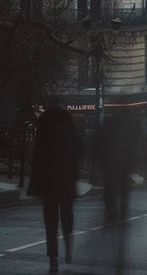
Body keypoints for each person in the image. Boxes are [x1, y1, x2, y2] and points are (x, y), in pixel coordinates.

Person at [28, 105, 81, 273]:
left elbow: (36, 156)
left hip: (47, 181)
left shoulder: (44, 127)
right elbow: (79, 149)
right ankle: (68, 248)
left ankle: (53, 257)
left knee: (50, 221)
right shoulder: (69, 126)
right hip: (66, 179)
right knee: (67, 216)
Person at [97, 110, 141, 223]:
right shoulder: (126, 130)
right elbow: (132, 147)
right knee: (123, 190)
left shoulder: (106, 127)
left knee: (110, 189)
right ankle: (122, 214)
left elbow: (98, 144)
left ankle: (111, 213)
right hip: (121, 165)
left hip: (110, 164)